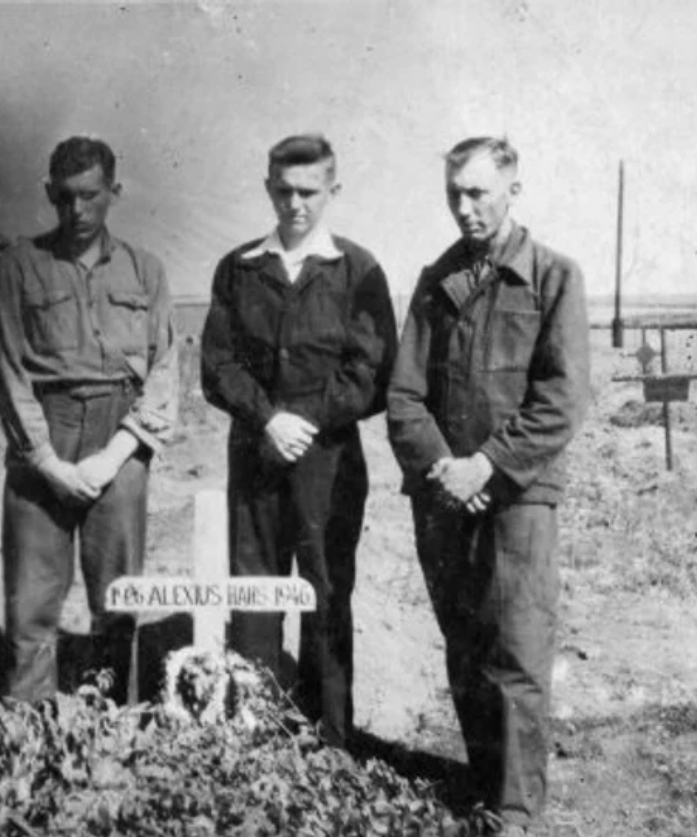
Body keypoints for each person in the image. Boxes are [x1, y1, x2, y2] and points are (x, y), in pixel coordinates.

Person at [387, 137, 591, 834]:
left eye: (478, 192)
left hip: (517, 498)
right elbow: (405, 396)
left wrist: (489, 467)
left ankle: (515, 811)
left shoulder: (553, 277)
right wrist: (445, 468)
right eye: (455, 194)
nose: (465, 207)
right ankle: (481, 789)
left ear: (513, 190)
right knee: (465, 643)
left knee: (517, 649)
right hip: (443, 495)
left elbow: (561, 399)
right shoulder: (435, 281)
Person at [200, 133, 397, 748]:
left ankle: (327, 743)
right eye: (283, 190)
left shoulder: (356, 270)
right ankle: (253, 739)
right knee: (254, 594)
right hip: (256, 458)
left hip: (328, 464)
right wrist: (267, 420)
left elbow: (371, 373)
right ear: (268, 188)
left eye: (309, 191)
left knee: (326, 593)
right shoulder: (239, 268)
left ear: (333, 190)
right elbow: (217, 364)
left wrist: (302, 421)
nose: (295, 204)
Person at [0, 136, 177, 707]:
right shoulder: (20, 266)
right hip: (43, 438)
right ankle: (26, 731)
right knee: (32, 602)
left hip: (119, 438)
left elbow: (164, 370)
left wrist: (114, 455)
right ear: (49, 193)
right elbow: (9, 370)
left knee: (117, 599)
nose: (77, 210)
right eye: (65, 197)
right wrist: (49, 464)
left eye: (91, 196)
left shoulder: (146, 270)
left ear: (114, 192)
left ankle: (113, 727)